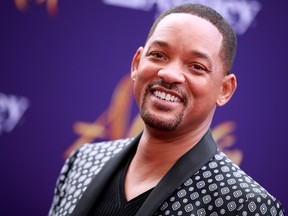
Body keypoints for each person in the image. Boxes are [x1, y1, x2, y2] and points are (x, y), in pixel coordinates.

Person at [48, 3, 285, 216]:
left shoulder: (247, 205)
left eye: (196, 66)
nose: (169, 74)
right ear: (137, 63)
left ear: (225, 89)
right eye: (159, 55)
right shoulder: (83, 162)